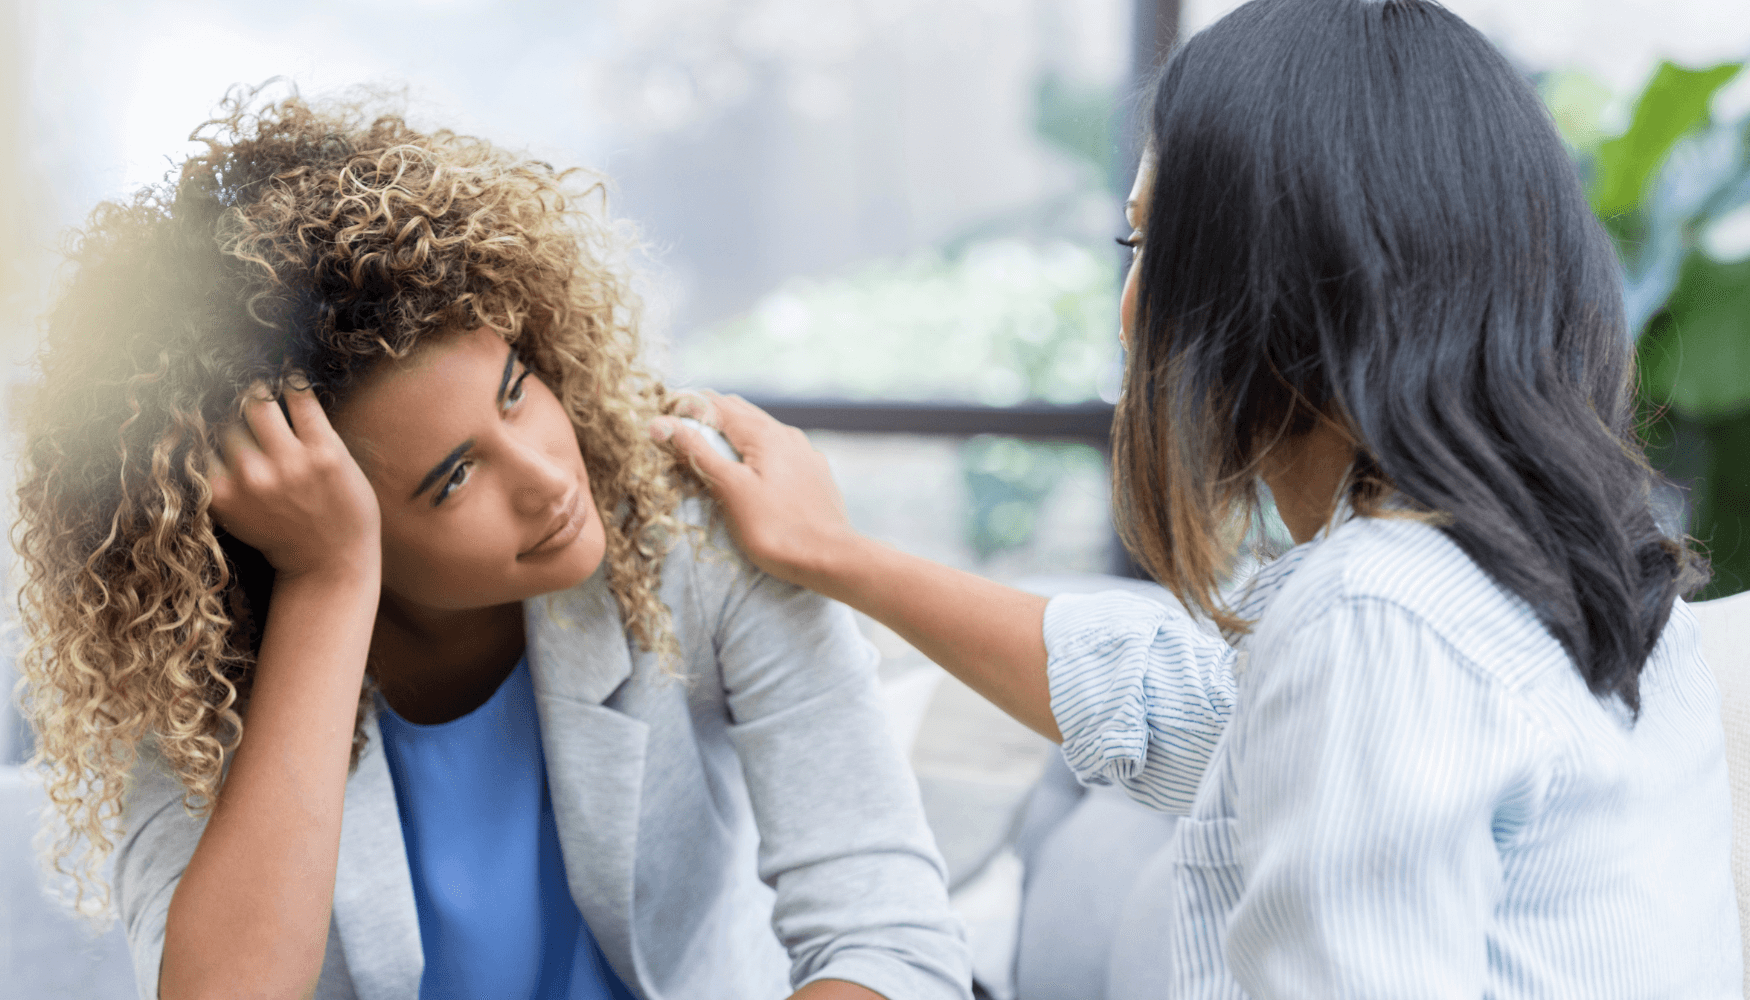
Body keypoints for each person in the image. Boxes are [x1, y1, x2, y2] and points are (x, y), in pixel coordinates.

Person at [655, 0, 1742, 995]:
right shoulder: (1576, 579)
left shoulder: (1376, 616)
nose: (1130, 313)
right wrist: (837, 555)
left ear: (1285, 271)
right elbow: (1183, 708)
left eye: (1151, 246)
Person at [11, 91, 968, 1000]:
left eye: (517, 390)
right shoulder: (190, 672)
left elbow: (892, 944)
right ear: (290, 514)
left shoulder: (696, 536)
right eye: (454, 477)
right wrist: (329, 582)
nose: (550, 478)